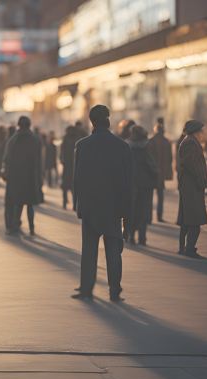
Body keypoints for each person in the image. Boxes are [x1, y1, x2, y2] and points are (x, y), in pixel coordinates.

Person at [72, 105, 133, 302]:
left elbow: (77, 180)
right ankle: (115, 291)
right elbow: (128, 181)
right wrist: (126, 211)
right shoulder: (121, 146)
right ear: (108, 121)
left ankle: (86, 288)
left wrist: (79, 206)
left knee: (89, 250)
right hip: (113, 207)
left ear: (92, 122)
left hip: (90, 206)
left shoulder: (82, 145)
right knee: (114, 252)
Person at [2, 116, 44, 235]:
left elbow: (6, 158)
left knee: (17, 202)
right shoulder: (36, 139)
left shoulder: (13, 140)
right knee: (30, 203)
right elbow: (40, 160)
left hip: (15, 176)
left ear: (18, 125)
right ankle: (31, 227)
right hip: (31, 176)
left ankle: (14, 224)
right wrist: (41, 176)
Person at [177, 120, 207, 258]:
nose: (202, 133)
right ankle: (189, 249)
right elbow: (188, 162)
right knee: (194, 217)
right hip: (191, 184)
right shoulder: (191, 142)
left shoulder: (189, 140)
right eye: (200, 130)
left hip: (190, 184)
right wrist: (199, 177)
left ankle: (184, 248)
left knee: (187, 218)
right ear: (196, 131)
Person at [127, 125, 159, 245]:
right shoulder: (145, 147)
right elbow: (151, 165)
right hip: (144, 184)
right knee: (143, 211)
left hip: (131, 184)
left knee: (131, 210)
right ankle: (142, 238)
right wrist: (156, 175)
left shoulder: (127, 146)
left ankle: (130, 235)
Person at [147, 122, 173, 222]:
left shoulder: (150, 141)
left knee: (149, 197)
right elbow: (170, 159)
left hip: (150, 173)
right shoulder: (166, 142)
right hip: (161, 173)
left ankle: (148, 217)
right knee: (160, 196)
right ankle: (159, 216)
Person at [60, 126, 78, 210]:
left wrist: (62, 160)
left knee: (66, 186)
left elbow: (61, 152)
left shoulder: (65, 139)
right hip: (72, 166)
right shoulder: (76, 139)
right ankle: (73, 204)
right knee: (72, 186)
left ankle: (66, 202)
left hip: (67, 166)